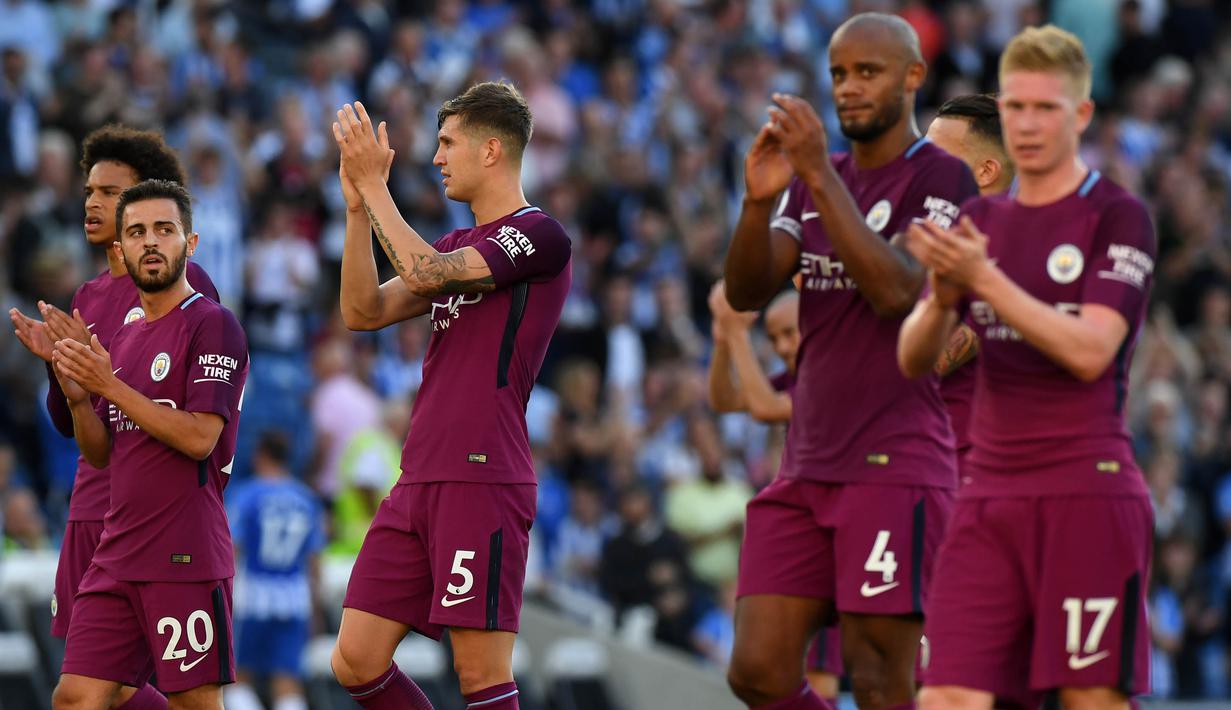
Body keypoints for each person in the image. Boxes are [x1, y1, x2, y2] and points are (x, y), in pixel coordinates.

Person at [722, 12, 979, 710]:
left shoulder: (944, 179)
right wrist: (756, 201)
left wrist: (813, 175)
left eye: (867, 72)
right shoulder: (812, 181)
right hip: (805, 467)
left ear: (912, 77)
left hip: (892, 464)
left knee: (876, 679)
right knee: (755, 670)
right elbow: (747, 288)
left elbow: (898, 290)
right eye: (838, 74)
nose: (848, 88)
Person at [898, 25, 1155, 710]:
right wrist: (938, 299)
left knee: (1088, 700)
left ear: (1078, 116)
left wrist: (986, 279)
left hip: (1085, 492)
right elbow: (913, 357)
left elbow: (1089, 350)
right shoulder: (976, 222)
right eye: (1015, 107)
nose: (1028, 124)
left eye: (1045, 108)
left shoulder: (1117, 217)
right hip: (985, 496)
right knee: (946, 695)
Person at [329, 82, 572, 710]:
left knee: (480, 673)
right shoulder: (450, 246)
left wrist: (377, 187)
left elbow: (421, 276)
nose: (436, 158)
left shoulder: (540, 236)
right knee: (355, 659)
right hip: (420, 478)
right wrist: (359, 206)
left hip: (483, 476)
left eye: (447, 143)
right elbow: (361, 310)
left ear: (491, 150)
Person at [8, 125, 217, 710]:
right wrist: (61, 372)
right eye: (90, 191)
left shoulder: (184, 288)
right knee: (94, 691)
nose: (94, 204)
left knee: (157, 690)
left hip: (153, 514)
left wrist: (104, 380)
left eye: (111, 193)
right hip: (89, 505)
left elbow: (195, 412)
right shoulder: (87, 297)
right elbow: (68, 422)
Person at [49, 179, 249, 710]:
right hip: (117, 550)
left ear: (192, 242)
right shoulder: (124, 338)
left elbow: (201, 437)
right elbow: (101, 454)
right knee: (77, 696)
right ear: (121, 248)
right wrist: (77, 396)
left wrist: (109, 385)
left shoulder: (213, 324)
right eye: (136, 232)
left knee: (194, 704)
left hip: (184, 550)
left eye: (165, 229)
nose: (151, 242)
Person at [708, 283, 845, 699]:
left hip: (845, 527)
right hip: (813, 529)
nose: (783, 346)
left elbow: (766, 407)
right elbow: (727, 399)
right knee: (789, 672)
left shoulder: (838, 368)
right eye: (774, 338)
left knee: (836, 677)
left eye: (791, 333)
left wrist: (736, 333)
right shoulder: (799, 373)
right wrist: (722, 340)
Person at [922, 93, 1016, 482]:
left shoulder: (1010, 249)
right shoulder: (939, 238)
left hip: (963, 466)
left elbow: (933, 360)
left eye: (935, 155)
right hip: (915, 455)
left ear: (985, 171)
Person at [225, 430, 325, 710]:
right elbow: (314, 560)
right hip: (294, 598)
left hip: (253, 596)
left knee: (239, 678)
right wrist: (314, 607)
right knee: (288, 681)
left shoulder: (247, 495)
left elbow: (233, 548)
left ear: (260, 455)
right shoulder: (306, 499)